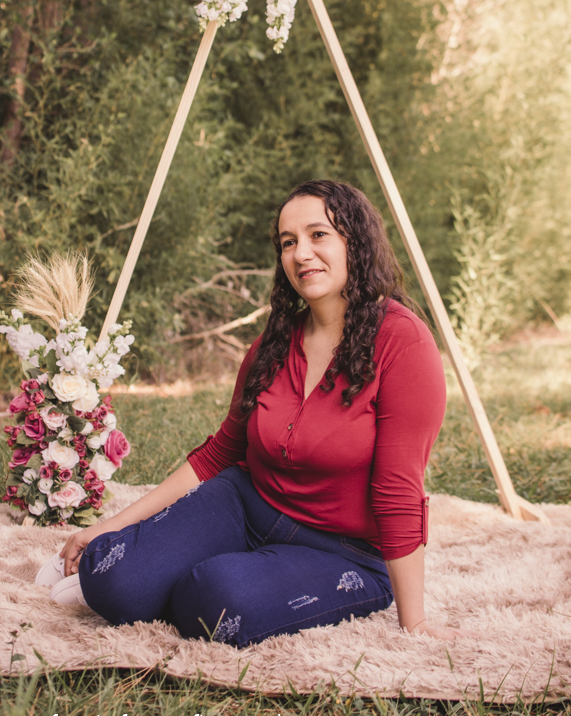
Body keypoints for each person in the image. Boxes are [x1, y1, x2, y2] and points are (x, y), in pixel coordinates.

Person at [38, 179, 460, 646]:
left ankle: (192, 580)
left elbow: (399, 491)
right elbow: (218, 455)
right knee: (110, 578)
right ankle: (156, 576)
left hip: (344, 552)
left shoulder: (405, 344)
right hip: (246, 503)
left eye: (318, 235)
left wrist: (413, 622)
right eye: (288, 242)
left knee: (217, 600)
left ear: (354, 240)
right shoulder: (273, 344)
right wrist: (112, 524)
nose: (301, 253)